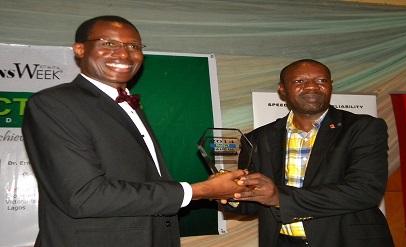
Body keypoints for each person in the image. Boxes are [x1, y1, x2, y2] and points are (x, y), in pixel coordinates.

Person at [22, 15, 246, 247]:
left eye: (133, 46)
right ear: (79, 49)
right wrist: (198, 191)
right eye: (109, 44)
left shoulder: (131, 106)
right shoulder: (54, 103)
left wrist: (214, 188)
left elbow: (140, 180)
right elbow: (84, 196)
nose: (124, 54)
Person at [227, 59, 394, 246]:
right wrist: (230, 193)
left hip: (345, 241)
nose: (312, 87)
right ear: (282, 89)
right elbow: (254, 202)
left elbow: (364, 190)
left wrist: (279, 197)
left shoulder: (363, 128)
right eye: (299, 81)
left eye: (322, 81)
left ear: (331, 86)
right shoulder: (258, 138)